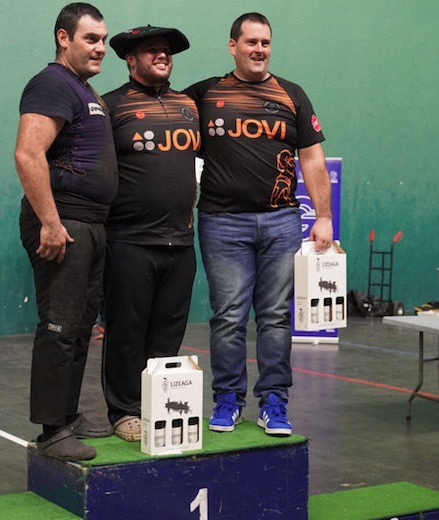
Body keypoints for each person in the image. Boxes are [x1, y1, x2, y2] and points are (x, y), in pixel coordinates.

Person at [185, 12, 333, 436]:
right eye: (251, 42)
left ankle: (274, 402)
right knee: (229, 316)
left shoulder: (292, 95)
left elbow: (312, 160)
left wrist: (324, 216)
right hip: (221, 223)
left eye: (265, 42)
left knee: (275, 317)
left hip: (282, 222)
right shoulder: (204, 95)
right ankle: (228, 400)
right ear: (233, 46)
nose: (259, 49)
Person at [14, 2, 117, 461]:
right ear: (63, 38)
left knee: (78, 328)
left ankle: (67, 415)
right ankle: (52, 431)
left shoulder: (83, 88)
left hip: (90, 224)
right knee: (59, 326)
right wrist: (51, 223)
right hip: (64, 223)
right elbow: (27, 153)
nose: (101, 48)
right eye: (90, 39)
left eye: (103, 40)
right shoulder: (52, 82)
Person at [101, 25, 199, 441]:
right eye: (152, 50)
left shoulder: (189, 106)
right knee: (126, 333)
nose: (162, 56)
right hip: (129, 242)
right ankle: (123, 411)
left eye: (166, 51)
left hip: (182, 243)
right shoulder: (111, 106)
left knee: (167, 334)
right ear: (130, 59)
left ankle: (157, 405)